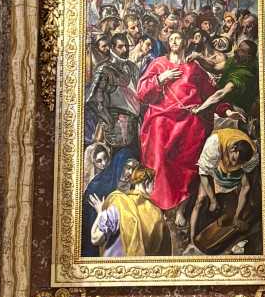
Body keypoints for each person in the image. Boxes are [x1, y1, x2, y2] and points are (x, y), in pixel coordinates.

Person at [135, 31, 216, 212]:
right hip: (162, 117)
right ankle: (159, 202)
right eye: (170, 38)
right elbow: (141, 92)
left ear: (185, 42)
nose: (173, 41)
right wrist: (160, 79)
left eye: (177, 38)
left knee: (187, 157)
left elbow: (209, 92)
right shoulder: (158, 64)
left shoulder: (193, 66)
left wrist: (224, 108)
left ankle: (181, 204)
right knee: (160, 153)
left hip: (188, 119)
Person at [88, 164, 171, 257]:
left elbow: (96, 238)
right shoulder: (157, 212)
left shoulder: (118, 202)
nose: (155, 187)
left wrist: (100, 213)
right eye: (154, 183)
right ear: (147, 182)